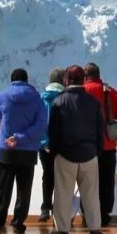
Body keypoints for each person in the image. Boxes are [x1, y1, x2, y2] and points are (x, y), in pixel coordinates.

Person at [46, 65, 105, 234]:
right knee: (91, 195)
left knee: (63, 195)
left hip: (65, 155)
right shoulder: (94, 103)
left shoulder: (59, 102)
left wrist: (55, 152)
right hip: (89, 154)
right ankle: (95, 229)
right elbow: (100, 131)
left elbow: (54, 131)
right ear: (83, 80)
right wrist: (97, 152)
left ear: (66, 80)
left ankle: (62, 230)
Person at [0, 69, 49, 234]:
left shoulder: (3, 95)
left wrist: (13, 137)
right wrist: (22, 138)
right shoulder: (37, 98)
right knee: (24, 190)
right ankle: (18, 225)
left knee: (3, 188)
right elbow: (41, 124)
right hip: (28, 150)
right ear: (26, 80)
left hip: (7, 148)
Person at [82, 63, 117, 228]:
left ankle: (87, 216)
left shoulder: (82, 91)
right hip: (108, 145)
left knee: (87, 182)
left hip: (87, 146)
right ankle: (104, 215)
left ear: (85, 76)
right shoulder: (110, 92)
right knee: (107, 182)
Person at [38, 68, 66, 223]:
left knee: (47, 175)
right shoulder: (66, 98)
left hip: (45, 146)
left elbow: (38, 123)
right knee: (63, 177)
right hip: (63, 145)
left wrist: (43, 143)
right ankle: (60, 211)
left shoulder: (41, 98)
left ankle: (45, 208)